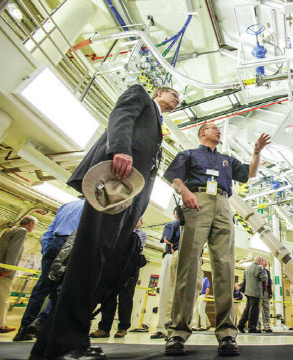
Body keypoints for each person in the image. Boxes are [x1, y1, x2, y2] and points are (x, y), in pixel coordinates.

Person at [30, 85, 179, 360]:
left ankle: (57, 337)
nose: (178, 100)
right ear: (158, 92)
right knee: (91, 255)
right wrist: (119, 149)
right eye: (174, 95)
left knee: (104, 262)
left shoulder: (158, 123)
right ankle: (65, 343)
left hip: (132, 195)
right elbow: (121, 115)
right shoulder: (140, 96)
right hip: (114, 183)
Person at [163, 123, 270, 356]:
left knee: (225, 266)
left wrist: (256, 152)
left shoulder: (227, 160)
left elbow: (250, 173)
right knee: (188, 265)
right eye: (213, 128)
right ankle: (178, 333)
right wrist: (185, 192)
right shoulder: (188, 155)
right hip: (196, 200)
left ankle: (227, 335)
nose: (218, 131)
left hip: (222, 204)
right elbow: (174, 177)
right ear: (202, 133)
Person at [13, 200, 85, 342]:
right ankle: (42, 322)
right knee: (63, 288)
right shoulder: (94, 207)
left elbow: (48, 233)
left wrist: (49, 251)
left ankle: (24, 328)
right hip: (74, 244)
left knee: (41, 288)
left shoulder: (67, 205)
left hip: (55, 243)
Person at [91, 217, 148, 338]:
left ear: (141, 223)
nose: (135, 220)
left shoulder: (141, 235)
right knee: (108, 296)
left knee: (126, 298)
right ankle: (104, 328)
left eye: (138, 219)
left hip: (130, 268)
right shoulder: (120, 231)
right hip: (114, 266)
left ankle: (123, 327)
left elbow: (137, 250)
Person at [0, 216, 37, 334]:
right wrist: (8, 268)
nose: (34, 227)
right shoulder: (22, 231)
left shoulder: (12, 230)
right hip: (2, 270)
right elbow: (14, 250)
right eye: (34, 225)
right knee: (2, 297)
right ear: (30, 224)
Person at [152, 211, 181, 339]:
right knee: (166, 292)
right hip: (172, 256)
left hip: (183, 257)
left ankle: (177, 326)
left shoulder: (190, 225)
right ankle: (163, 327)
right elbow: (167, 240)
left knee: (180, 294)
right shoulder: (171, 225)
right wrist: (174, 245)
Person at [238, 256, 267, 333]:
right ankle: (252, 327)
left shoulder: (247, 268)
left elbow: (244, 280)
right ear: (260, 262)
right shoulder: (259, 268)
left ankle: (241, 325)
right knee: (254, 310)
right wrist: (264, 271)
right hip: (255, 292)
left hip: (248, 292)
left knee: (247, 309)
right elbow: (264, 278)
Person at [257, 258, 272, 332]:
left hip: (266, 291)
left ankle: (267, 326)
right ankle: (258, 326)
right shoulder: (258, 270)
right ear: (261, 262)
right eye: (264, 261)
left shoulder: (267, 272)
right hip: (260, 291)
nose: (265, 263)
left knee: (266, 309)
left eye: (266, 262)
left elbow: (269, 282)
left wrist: (270, 292)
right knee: (258, 309)